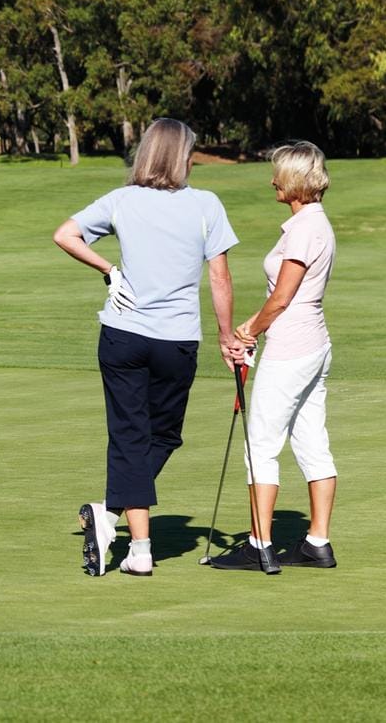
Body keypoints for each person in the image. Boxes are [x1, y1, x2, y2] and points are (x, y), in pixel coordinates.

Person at [52, 118, 245, 576]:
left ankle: (108, 514)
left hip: (124, 337)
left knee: (141, 439)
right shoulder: (205, 205)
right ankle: (140, 550)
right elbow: (219, 276)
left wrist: (108, 269)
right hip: (176, 342)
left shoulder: (122, 200)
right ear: (181, 157)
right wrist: (226, 336)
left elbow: (65, 234)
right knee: (149, 438)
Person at [209, 141, 339, 572]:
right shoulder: (314, 224)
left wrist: (247, 333)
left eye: (278, 176)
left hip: (290, 349)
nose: (272, 182)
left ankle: (259, 544)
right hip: (313, 345)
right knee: (311, 442)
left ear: (296, 182)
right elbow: (281, 298)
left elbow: (283, 297)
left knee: (260, 446)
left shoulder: (304, 229)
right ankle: (316, 543)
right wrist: (252, 327)